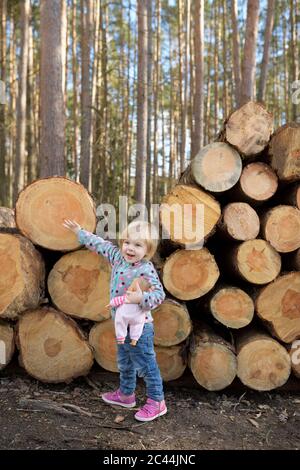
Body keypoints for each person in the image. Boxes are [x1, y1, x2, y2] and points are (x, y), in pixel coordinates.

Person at [62, 218, 167, 422]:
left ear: (148, 250)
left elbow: (159, 295)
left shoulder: (145, 269)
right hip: (121, 325)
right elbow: (100, 245)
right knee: (125, 361)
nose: (130, 248)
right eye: (127, 242)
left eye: (138, 245)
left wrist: (141, 298)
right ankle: (126, 395)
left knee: (146, 365)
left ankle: (157, 401)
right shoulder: (118, 257)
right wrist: (79, 231)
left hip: (140, 328)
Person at [108, 277, 152, 346]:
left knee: (120, 323)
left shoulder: (128, 295)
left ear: (134, 288)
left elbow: (118, 300)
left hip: (124, 315)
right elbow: (147, 307)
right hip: (137, 317)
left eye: (131, 285)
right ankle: (134, 339)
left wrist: (111, 304)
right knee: (138, 326)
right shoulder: (143, 299)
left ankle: (120, 338)